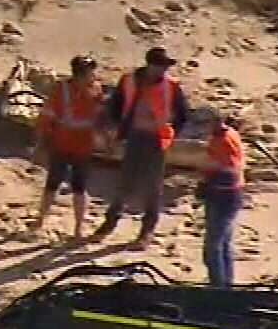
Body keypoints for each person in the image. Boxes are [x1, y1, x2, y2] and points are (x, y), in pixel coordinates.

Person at [90, 46, 189, 247]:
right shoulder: (129, 81)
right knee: (124, 183)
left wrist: (171, 135)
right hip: (134, 136)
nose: (163, 70)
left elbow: (183, 114)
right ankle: (109, 224)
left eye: (165, 67)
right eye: (160, 66)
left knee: (152, 186)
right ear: (150, 65)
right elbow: (115, 107)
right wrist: (114, 131)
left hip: (156, 139)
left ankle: (147, 230)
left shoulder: (171, 86)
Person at [31, 55, 104, 242]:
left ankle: (78, 228)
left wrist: (105, 137)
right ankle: (40, 220)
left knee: (80, 187)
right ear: (80, 75)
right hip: (62, 144)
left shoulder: (96, 90)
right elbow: (47, 115)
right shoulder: (61, 90)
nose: (93, 76)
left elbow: (101, 116)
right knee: (52, 184)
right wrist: (42, 140)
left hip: (83, 146)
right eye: (90, 73)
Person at [200, 115, 247, 286]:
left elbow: (230, 171)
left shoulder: (225, 140)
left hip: (225, 197)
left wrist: (210, 179)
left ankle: (218, 286)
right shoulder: (222, 136)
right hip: (222, 195)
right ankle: (226, 283)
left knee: (213, 247)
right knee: (224, 244)